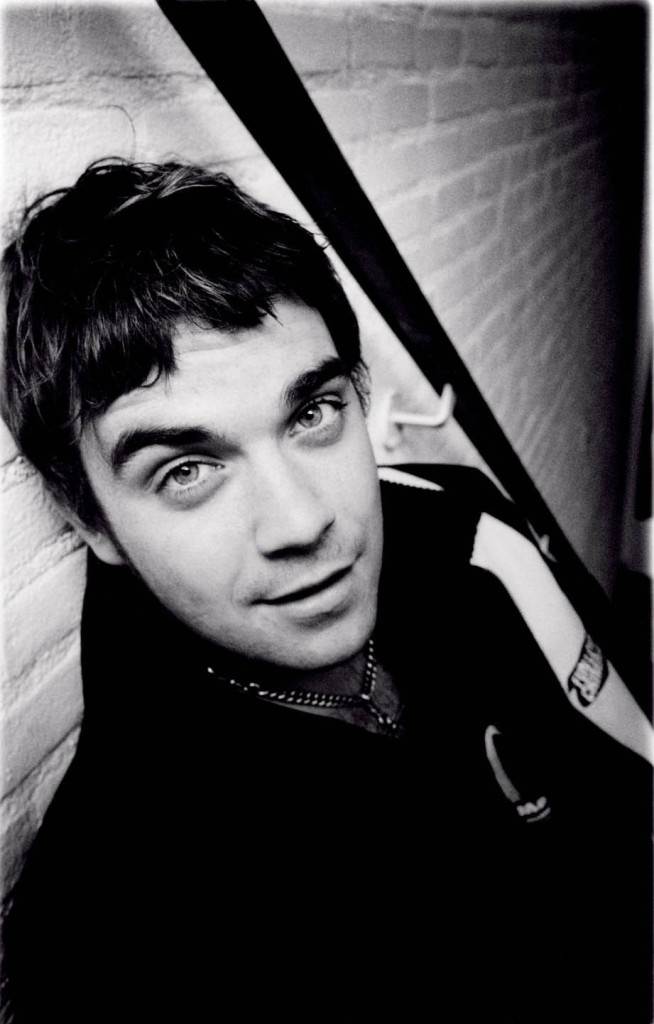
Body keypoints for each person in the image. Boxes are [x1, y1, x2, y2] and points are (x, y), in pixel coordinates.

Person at [2, 159, 651, 1023]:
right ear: (92, 520)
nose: (304, 522)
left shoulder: (461, 540)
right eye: (187, 469)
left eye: (312, 413)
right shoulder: (116, 929)